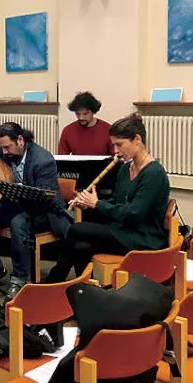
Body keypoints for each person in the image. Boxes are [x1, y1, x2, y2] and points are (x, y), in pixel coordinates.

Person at [46, 114, 170, 283]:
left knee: (77, 229)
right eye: (113, 145)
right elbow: (116, 201)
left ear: (137, 140)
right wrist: (89, 204)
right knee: (80, 246)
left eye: (119, 144)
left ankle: (54, 283)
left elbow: (135, 214)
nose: (115, 151)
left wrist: (98, 204)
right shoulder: (125, 169)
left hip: (143, 238)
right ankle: (76, 288)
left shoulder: (154, 173)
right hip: (124, 230)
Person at [0, 122, 71, 299]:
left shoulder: (43, 160)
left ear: (20, 140)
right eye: (2, 148)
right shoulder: (5, 149)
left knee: (18, 221)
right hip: (13, 205)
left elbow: (45, 198)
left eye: (7, 147)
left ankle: (19, 279)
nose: (4, 152)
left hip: (41, 211)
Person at [58, 91, 114, 156]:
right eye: (78, 114)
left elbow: (116, 156)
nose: (81, 118)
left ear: (93, 112)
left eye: (85, 114)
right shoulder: (68, 130)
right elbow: (62, 156)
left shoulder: (107, 129)